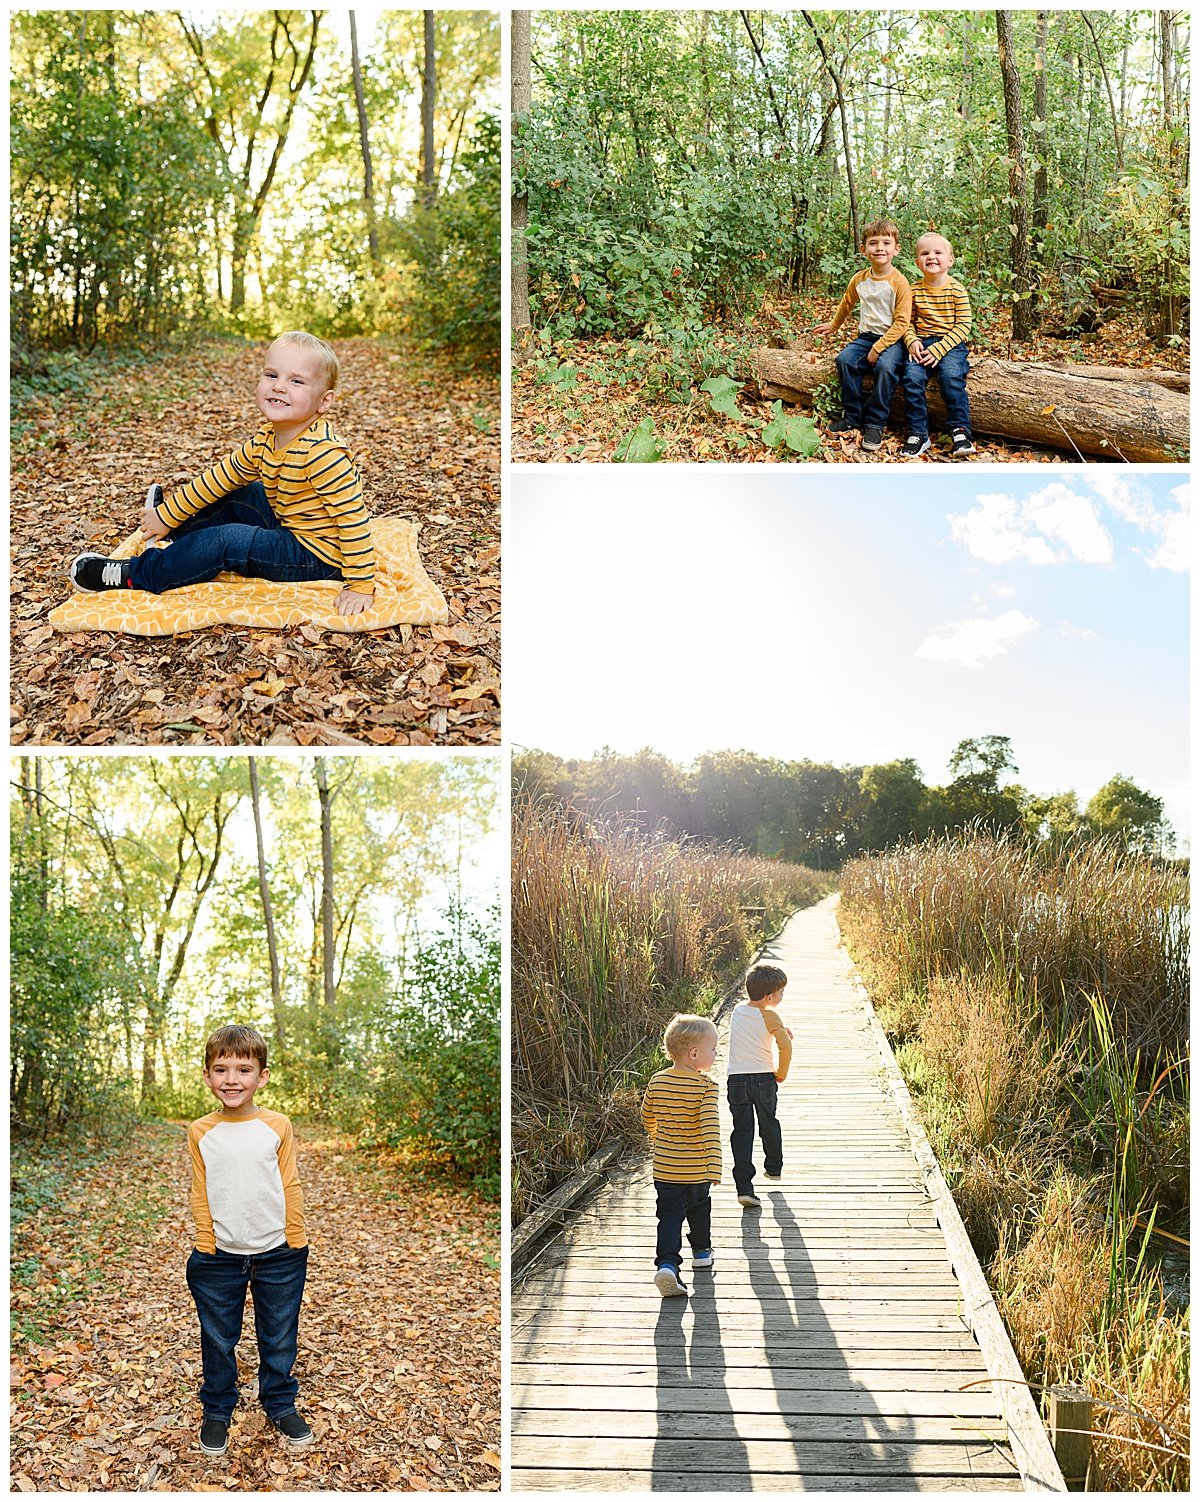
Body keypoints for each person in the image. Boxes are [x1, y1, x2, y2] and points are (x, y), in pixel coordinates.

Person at [69, 331, 376, 616]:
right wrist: (169, 515)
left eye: (297, 381)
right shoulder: (265, 440)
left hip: (317, 554)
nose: (279, 386)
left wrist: (360, 585)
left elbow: (352, 519)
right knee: (243, 496)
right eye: (272, 375)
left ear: (324, 401)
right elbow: (219, 478)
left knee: (227, 541)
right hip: (291, 520)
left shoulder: (324, 454)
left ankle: (137, 573)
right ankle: (178, 532)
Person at [186, 1024, 313, 1458]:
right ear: (207, 1076)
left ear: (262, 1077)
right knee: (218, 1338)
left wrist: (295, 1238)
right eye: (221, 1069)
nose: (232, 1079)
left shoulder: (277, 1126)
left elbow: (289, 1182)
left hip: (278, 1253)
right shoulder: (201, 1131)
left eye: (244, 1069)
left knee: (278, 1336)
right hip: (218, 1256)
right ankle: (218, 1408)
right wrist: (206, 1242)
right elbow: (201, 1189)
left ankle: (279, 1402)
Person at [813, 219, 912, 452]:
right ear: (864, 249)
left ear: (896, 249)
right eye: (873, 243)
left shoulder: (900, 282)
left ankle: (875, 423)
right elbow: (847, 304)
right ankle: (852, 416)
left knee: (885, 367)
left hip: (893, 339)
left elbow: (902, 322)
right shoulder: (859, 279)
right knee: (844, 360)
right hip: (866, 336)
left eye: (886, 243)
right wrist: (834, 326)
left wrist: (879, 347)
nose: (880, 248)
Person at [641, 1014, 722, 1298]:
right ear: (695, 1053)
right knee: (699, 1209)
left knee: (669, 1216)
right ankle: (701, 1252)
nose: (715, 1053)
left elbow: (646, 1115)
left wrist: (656, 1135)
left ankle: (667, 1264)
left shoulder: (657, 1080)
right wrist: (714, 1166)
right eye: (713, 1049)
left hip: (665, 1168)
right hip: (697, 1168)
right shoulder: (706, 1087)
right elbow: (710, 1128)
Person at [901, 232, 976, 458]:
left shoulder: (957, 289)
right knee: (911, 378)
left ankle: (960, 431)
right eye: (925, 253)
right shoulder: (913, 291)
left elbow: (964, 325)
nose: (931, 257)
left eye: (937, 253)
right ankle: (918, 433)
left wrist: (940, 348)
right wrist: (912, 340)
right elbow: (906, 322)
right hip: (921, 343)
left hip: (951, 343)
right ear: (917, 262)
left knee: (950, 378)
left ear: (950, 260)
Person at [726, 964, 792, 1210]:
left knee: (742, 1132)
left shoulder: (737, 1011)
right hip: (764, 1078)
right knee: (769, 1123)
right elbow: (785, 1047)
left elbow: (752, 1028)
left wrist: (780, 1030)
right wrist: (781, 1073)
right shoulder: (771, 1016)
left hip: (737, 1080)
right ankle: (773, 1168)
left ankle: (744, 1188)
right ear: (769, 997)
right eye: (781, 993)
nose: (782, 997)